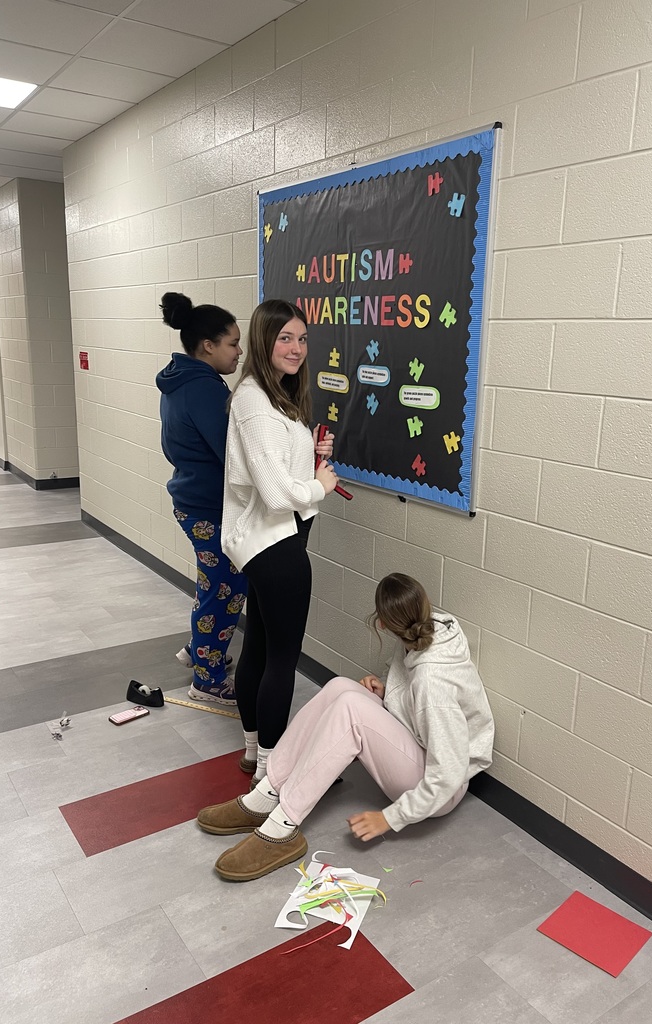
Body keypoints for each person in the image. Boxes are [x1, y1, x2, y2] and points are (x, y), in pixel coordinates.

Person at [196, 572, 495, 882]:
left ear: (382, 623)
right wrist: (386, 690)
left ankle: (283, 826)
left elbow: (447, 772)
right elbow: (410, 689)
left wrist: (390, 818)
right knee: (341, 687)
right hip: (422, 751)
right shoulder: (419, 631)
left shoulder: (434, 684)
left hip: (440, 789)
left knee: (351, 710)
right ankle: (268, 793)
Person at [221, 299, 336, 782]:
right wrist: (320, 486)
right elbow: (274, 494)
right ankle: (271, 772)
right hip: (276, 547)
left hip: (271, 544)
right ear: (263, 340)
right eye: (284, 337)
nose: (296, 348)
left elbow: (272, 468)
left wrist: (310, 456)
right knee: (280, 660)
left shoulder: (272, 397)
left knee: (261, 650)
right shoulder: (254, 402)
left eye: (302, 338)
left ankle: (253, 753)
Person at [156, 292, 248, 705]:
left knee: (214, 585)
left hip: (192, 500)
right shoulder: (206, 391)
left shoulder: (181, 380)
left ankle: (199, 650)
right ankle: (207, 681)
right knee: (225, 589)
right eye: (232, 343)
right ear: (208, 346)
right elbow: (233, 456)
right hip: (209, 507)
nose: (240, 352)